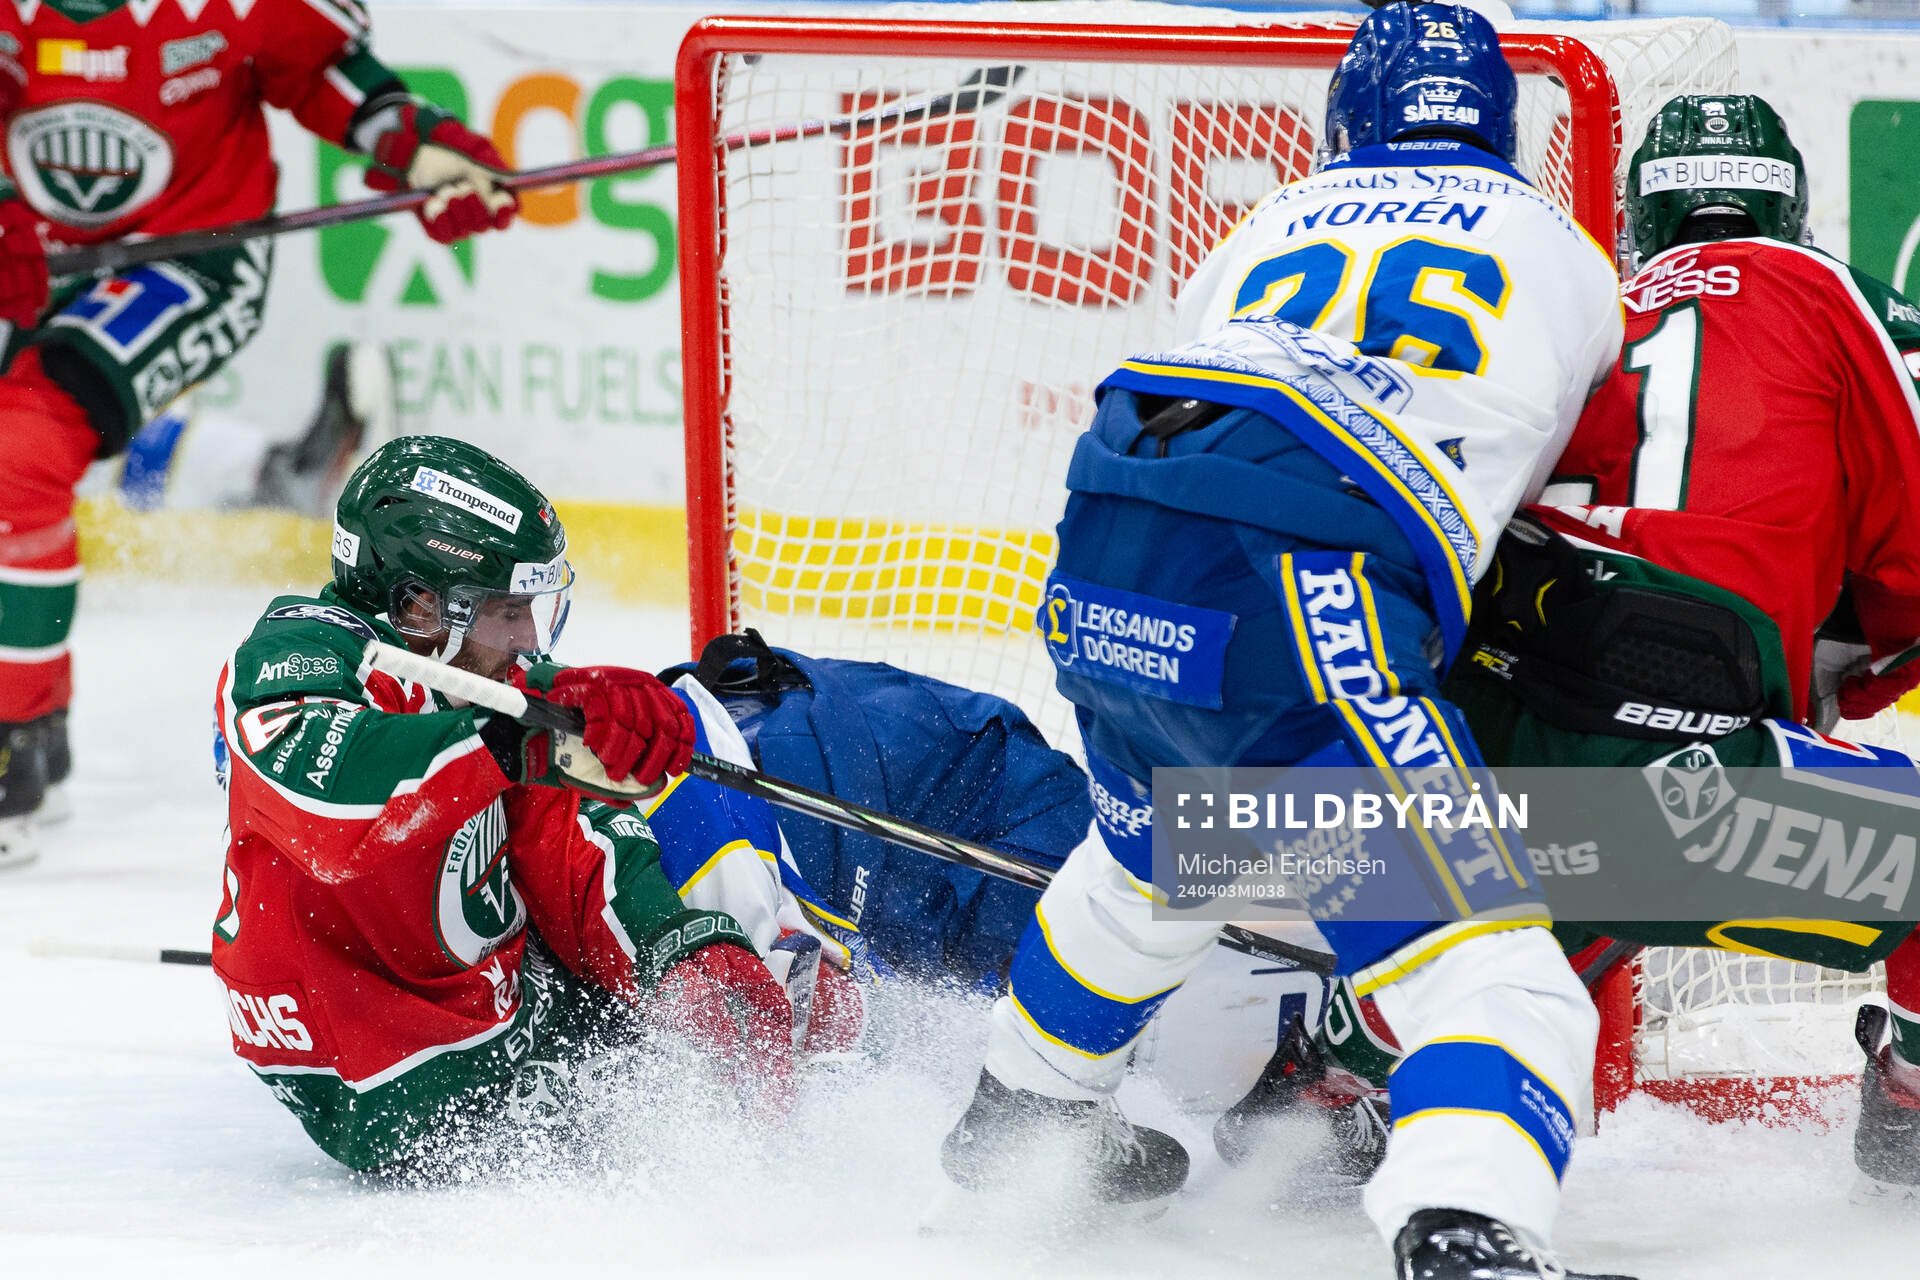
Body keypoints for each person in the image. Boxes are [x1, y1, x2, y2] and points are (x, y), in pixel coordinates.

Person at [936, 7, 1629, 1278]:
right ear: (1500, 127)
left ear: (1346, 123)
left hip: (1109, 547)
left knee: (1152, 859)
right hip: (1302, 585)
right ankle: (1465, 1230)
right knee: (1486, 965)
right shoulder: (1570, 252)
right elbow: (1576, 497)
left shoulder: (1268, 219)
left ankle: (1022, 1115)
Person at [211, 435, 852, 1171]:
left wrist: (675, 949)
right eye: (506, 610)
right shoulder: (297, 658)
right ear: (418, 605)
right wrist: (515, 742)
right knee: (685, 723)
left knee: (638, 747)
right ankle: (780, 936)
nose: (526, 638)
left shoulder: (474, 684)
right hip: (405, 1079)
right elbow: (328, 808)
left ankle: (751, 950)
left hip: (484, 1023)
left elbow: (572, 836)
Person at [0, 0, 518, 867]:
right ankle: (37, 724)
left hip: (186, 258)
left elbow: (318, 72)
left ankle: (12, 741)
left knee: (22, 452)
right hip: (31, 252)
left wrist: (421, 150)